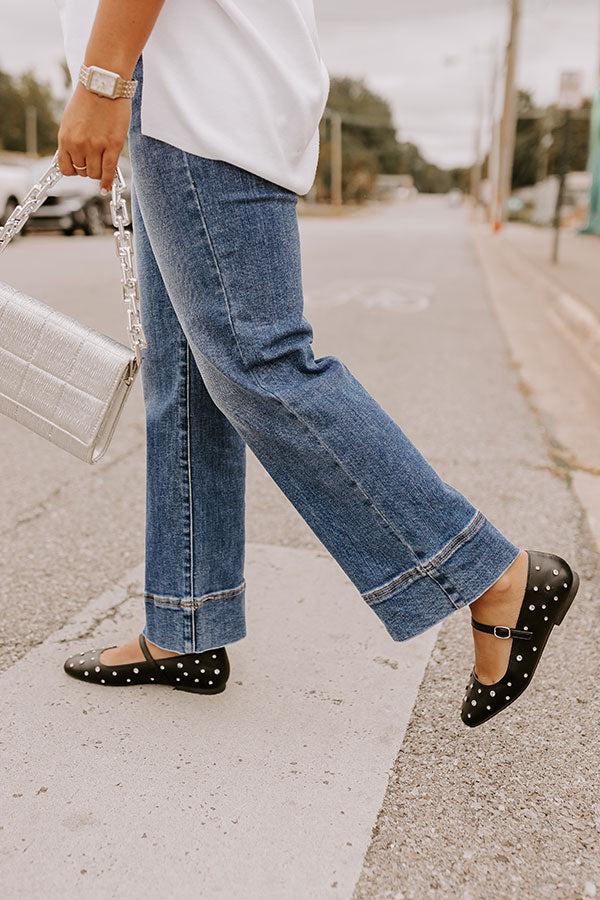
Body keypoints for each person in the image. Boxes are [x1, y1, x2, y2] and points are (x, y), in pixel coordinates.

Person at [56, 0, 578, 728]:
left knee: (258, 361)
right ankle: (186, 627)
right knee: (187, 377)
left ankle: (490, 574)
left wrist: (102, 81)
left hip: (194, 101)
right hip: (188, 100)